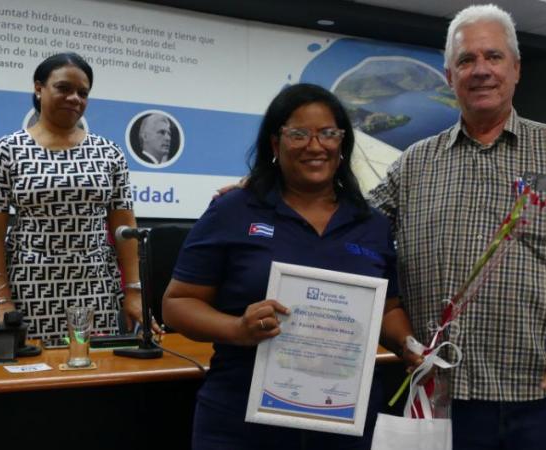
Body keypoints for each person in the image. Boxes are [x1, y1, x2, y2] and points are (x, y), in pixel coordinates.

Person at [367, 5, 546, 449]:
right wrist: (269, 190)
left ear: (516, 69)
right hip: (445, 400)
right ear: (450, 76)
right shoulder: (414, 165)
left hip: (545, 398)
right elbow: (354, 226)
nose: (481, 69)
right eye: (466, 60)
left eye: (494, 56)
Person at [163, 83, 418, 450]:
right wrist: (237, 328)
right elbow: (178, 303)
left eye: (328, 133)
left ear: (342, 144)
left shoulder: (372, 224)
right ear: (275, 143)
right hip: (240, 423)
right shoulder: (233, 210)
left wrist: (408, 345)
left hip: (344, 422)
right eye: (299, 134)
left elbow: (387, 308)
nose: (315, 146)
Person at [0, 52, 154, 343]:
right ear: (39, 88)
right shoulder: (5, 151)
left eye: (83, 93)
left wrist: (133, 291)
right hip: (31, 287)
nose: (74, 98)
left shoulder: (109, 153)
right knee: (35, 367)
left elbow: (124, 228)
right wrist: (1, 299)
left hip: (95, 287)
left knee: (94, 366)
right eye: (63, 88)